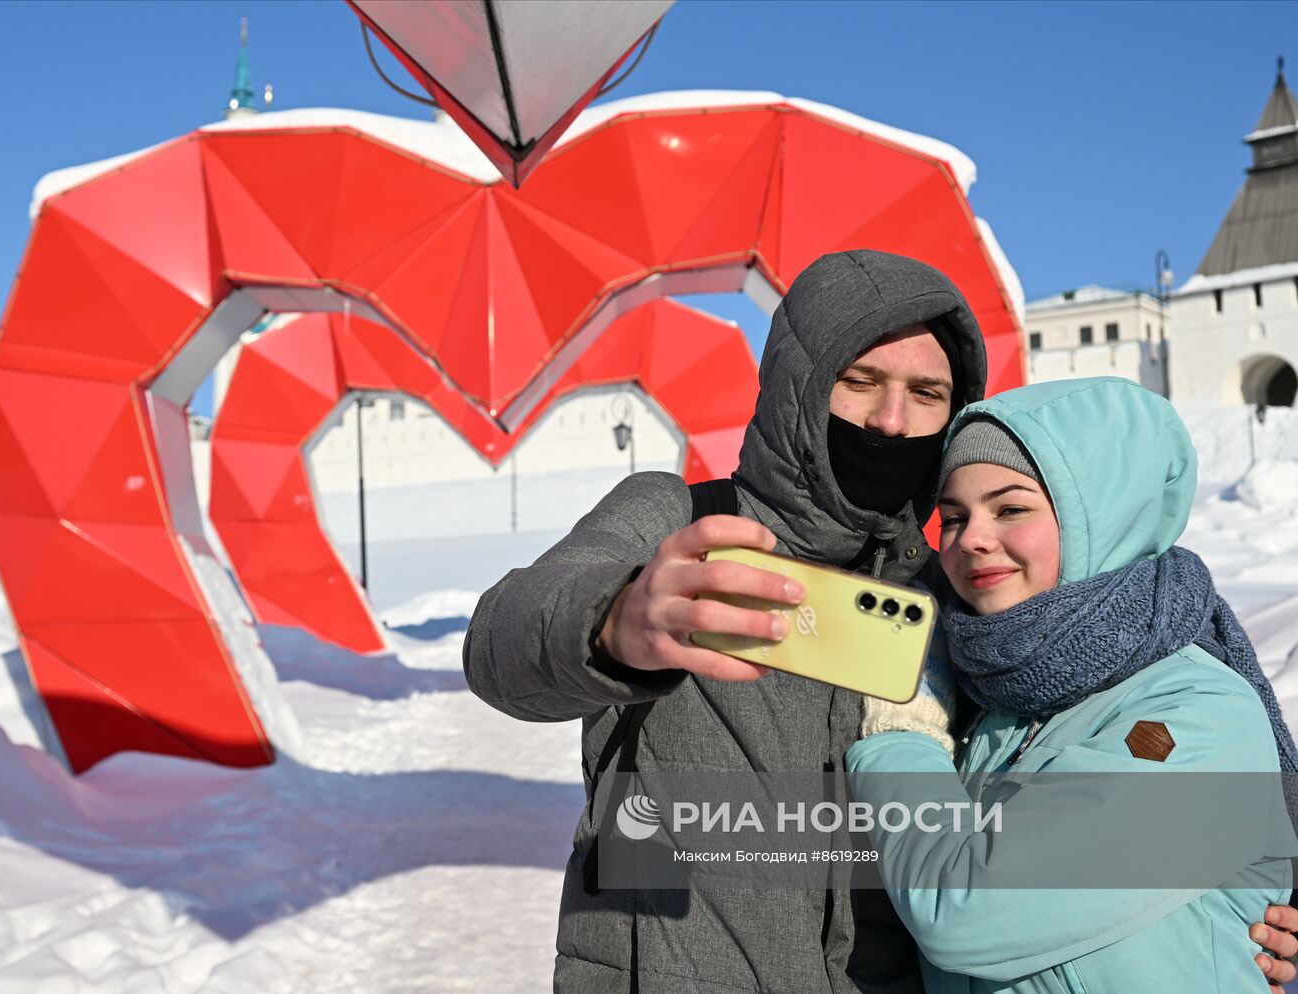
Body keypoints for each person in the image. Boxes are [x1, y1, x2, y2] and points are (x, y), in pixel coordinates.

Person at [463, 251, 1298, 992]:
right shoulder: (681, 522)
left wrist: (1245, 896)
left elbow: (1071, 807)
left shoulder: (960, 598)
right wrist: (611, 621)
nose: (890, 420)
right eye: (859, 380)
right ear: (800, 383)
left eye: (926, 394)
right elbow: (499, 644)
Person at [847, 376, 1298, 993]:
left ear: (1101, 515)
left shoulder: (1198, 715)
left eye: (1011, 508)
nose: (971, 537)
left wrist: (902, 735)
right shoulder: (992, 707)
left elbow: (964, 911)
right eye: (953, 516)